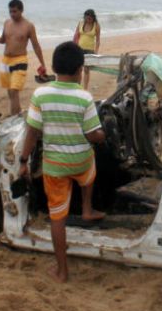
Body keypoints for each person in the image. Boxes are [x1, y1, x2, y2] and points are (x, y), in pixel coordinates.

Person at [19, 41, 106, 283]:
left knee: (58, 217)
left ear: (55, 67)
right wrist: (102, 135)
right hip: (80, 162)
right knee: (91, 169)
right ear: (80, 70)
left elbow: (32, 131)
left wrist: (24, 161)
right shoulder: (84, 98)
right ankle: (87, 209)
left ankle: (62, 271)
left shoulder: (41, 94)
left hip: (55, 167)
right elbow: (92, 135)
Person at [0, 0, 47, 115]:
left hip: (20, 60)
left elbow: (36, 46)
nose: (12, 14)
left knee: (14, 90)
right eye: (10, 12)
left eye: (15, 11)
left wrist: (42, 63)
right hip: (6, 60)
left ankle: (13, 117)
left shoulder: (28, 26)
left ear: (21, 10)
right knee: (10, 90)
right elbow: (3, 40)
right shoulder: (7, 23)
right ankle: (17, 114)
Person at [72, 9, 101, 89]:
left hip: (90, 50)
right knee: (78, 69)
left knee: (86, 70)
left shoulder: (96, 25)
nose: (88, 20)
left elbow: (98, 40)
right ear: (84, 17)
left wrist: (96, 51)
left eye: (90, 18)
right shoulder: (80, 23)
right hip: (79, 49)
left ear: (93, 18)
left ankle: (85, 88)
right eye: (86, 18)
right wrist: (74, 47)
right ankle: (77, 86)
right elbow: (76, 36)